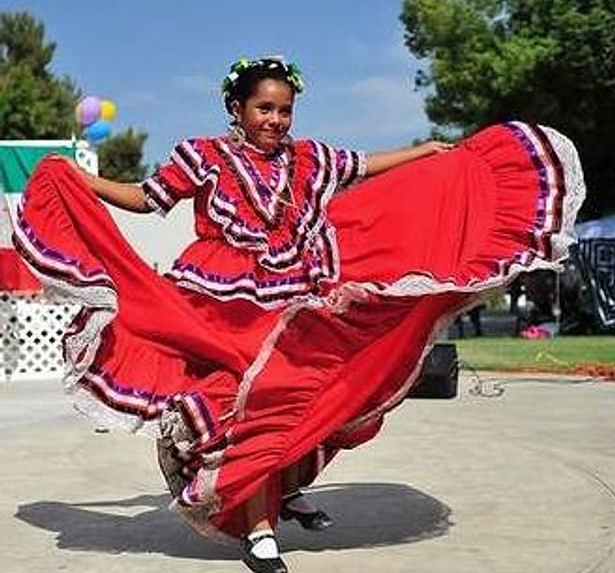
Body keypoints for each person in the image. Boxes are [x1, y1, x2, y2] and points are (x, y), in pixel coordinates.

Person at [13, 56, 585, 573]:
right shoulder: (202, 156)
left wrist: (425, 155)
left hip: (292, 298)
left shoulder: (308, 159)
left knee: (302, 393)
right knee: (240, 406)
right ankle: (258, 527)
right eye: (264, 108)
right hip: (217, 304)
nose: (276, 120)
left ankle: (280, 492)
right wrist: (82, 180)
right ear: (237, 109)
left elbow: (364, 166)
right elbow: (147, 197)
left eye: (285, 110)